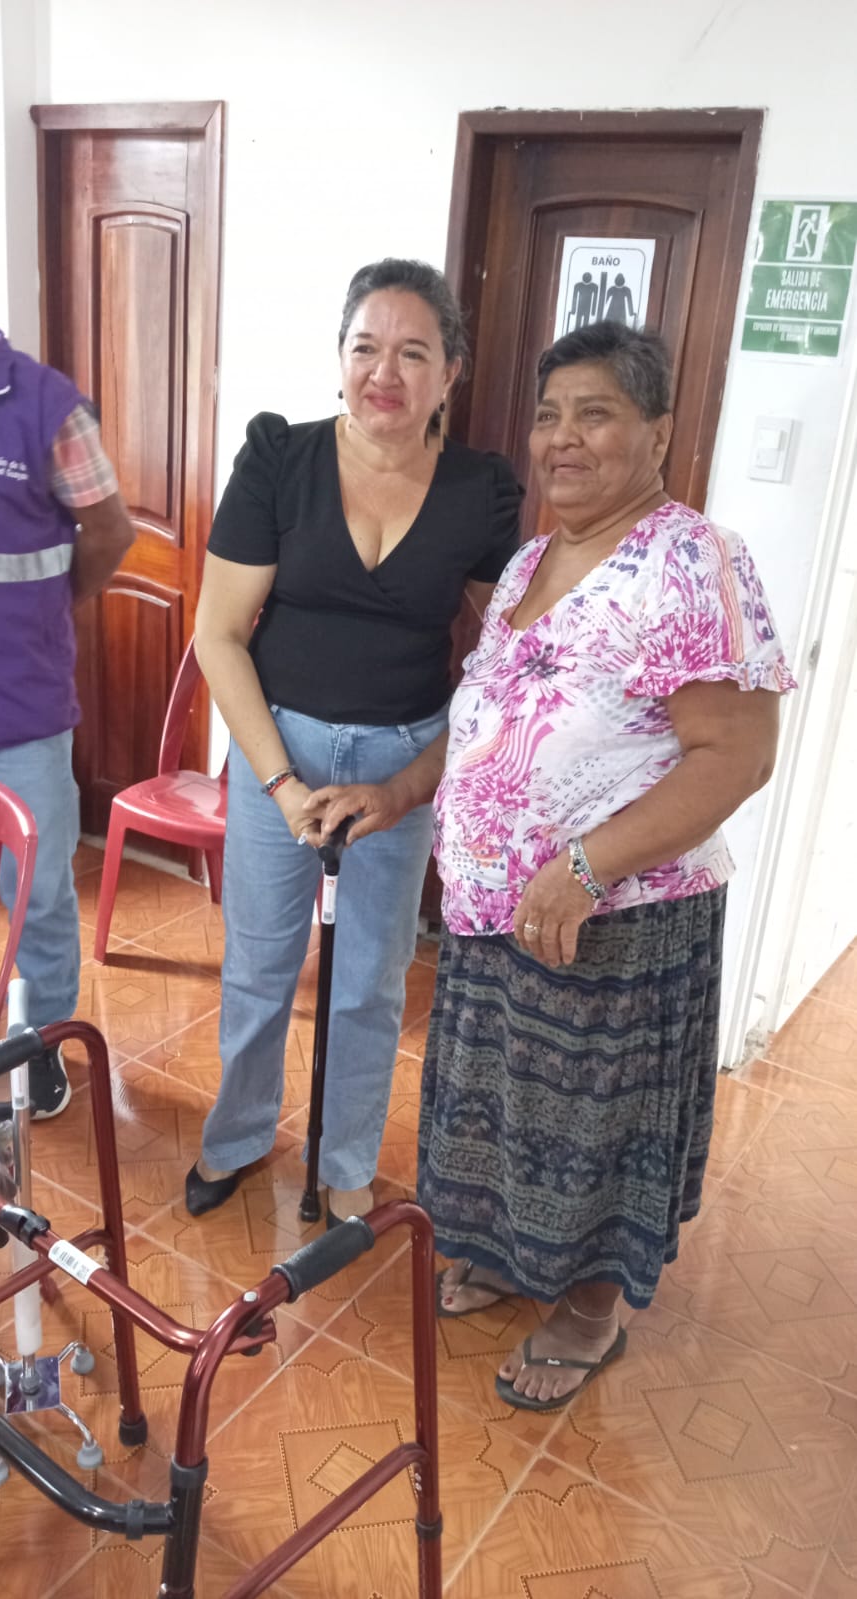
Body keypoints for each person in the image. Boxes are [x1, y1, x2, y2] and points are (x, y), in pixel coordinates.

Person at [322, 320, 795, 1411]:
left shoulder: (692, 562)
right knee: (502, 1105)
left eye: (595, 414)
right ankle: (501, 1253)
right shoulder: (537, 557)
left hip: (613, 925)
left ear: (657, 432)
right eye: (547, 416)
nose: (561, 438)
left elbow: (737, 754)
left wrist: (583, 868)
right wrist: (400, 792)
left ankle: (588, 1310)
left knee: (591, 1126)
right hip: (497, 914)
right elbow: (488, 711)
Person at [186, 259, 522, 1224]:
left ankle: (344, 1163)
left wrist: (416, 779)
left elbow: (505, 662)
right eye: (365, 347)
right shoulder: (278, 459)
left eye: (413, 353)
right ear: (338, 357)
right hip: (277, 752)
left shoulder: (480, 491)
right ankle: (237, 1133)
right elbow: (218, 635)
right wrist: (282, 784)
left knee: (370, 981)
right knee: (258, 967)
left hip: (397, 767)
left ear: (449, 372)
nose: (385, 372)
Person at [0, 315, 135, 1116]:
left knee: (35, 897)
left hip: (19, 713)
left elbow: (110, 531)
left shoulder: (44, 405)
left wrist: (43, 610)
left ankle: (41, 1046)